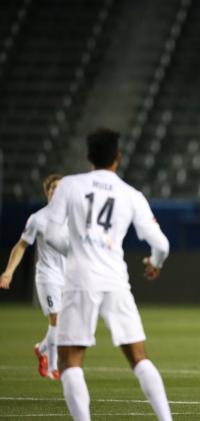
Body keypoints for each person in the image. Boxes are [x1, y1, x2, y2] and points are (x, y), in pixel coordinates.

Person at [46, 128, 172, 421]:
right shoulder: (131, 194)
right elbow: (161, 244)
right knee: (138, 357)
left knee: (70, 361)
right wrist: (155, 262)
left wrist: (77, 249)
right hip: (116, 279)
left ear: (89, 156)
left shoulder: (69, 186)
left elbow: (51, 234)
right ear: (118, 157)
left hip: (79, 279)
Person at [1, 174, 67, 380]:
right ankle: (54, 368)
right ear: (46, 193)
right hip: (47, 276)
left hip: (67, 278)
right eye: (52, 188)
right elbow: (21, 246)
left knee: (63, 323)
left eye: (59, 188)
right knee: (56, 318)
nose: (56, 191)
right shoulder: (38, 219)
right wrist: (8, 271)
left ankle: (41, 349)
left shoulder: (74, 218)